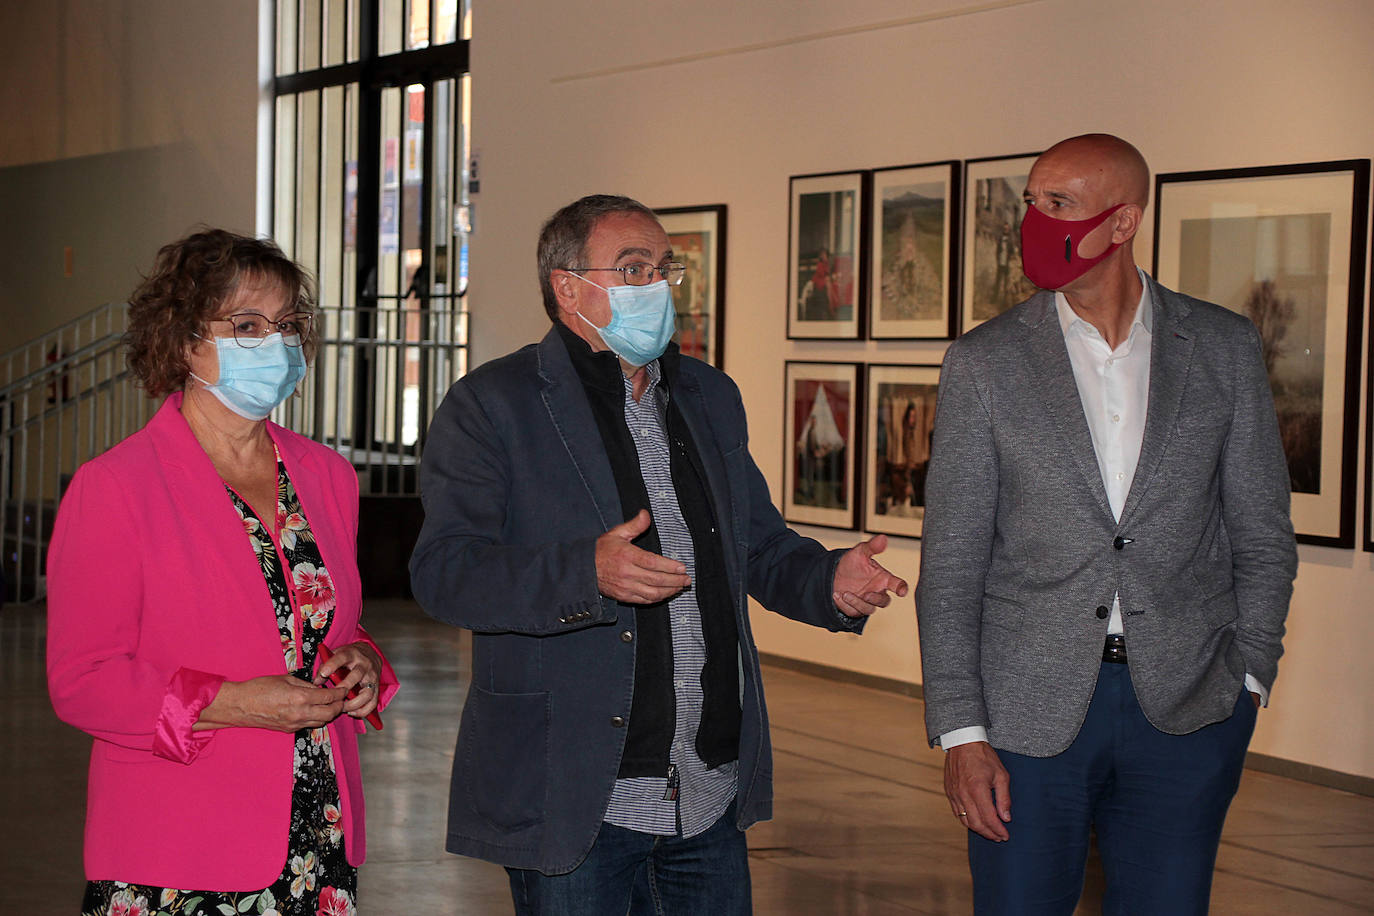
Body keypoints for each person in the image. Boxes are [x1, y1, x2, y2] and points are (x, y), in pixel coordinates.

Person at [409, 194, 908, 915]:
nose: (658, 287)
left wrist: (829, 578)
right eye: (634, 268)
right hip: (576, 788)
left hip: (706, 793)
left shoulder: (709, 396)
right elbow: (446, 573)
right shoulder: (495, 404)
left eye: (665, 269)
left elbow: (758, 546)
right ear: (567, 286)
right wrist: (586, 572)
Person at [915, 134, 1297, 915]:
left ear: (1122, 224)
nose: (1033, 221)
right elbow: (952, 565)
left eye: (1059, 204)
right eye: (1030, 201)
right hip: (1026, 718)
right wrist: (961, 732)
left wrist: (1249, 676)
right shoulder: (984, 363)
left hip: (1190, 709)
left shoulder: (1222, 347)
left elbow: (1262, 531)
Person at [47, 228, 398, 916]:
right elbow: (82, 682)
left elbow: (334, 626)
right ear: (182, 343)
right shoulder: (114, 487)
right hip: (178, 848)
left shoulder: (326, 476)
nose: (276, 343)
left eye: (289, 325)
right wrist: (233, 702)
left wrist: (361, 665)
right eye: (246, 325)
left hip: (316, 837)